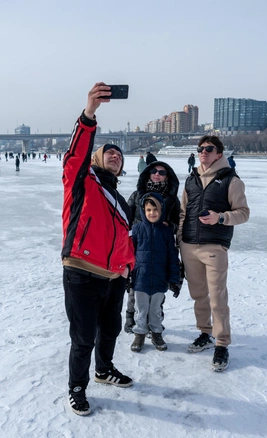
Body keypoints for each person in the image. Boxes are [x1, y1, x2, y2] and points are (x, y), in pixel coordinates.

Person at [62, 82, 135, 416]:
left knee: (111, 330)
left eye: (119, 155)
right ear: (95, 158)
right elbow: (74, 154)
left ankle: (104, 370)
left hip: (113, 278)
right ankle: (77, 388)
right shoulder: (82, 180)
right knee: (83, 339)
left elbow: (123, 238)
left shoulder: (120, 200)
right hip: (81, 272)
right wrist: (89, 114)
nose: (115, 156)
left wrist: (127, 266)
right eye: (109, 152)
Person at [178, 135, 250, 372]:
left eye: (209, 149)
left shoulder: (231, 180)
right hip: (189, 245)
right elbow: (182, 213)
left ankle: (222, 343)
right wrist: (179, 240)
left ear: (219, 153)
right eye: (200, 149)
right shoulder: (191, 179)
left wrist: (220, 217)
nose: (204, 152)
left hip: (214, 246)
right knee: (198, 295)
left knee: (217, 297)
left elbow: (243, 213)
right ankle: (204, 333)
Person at [124, 160, 181, 334]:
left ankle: (155, 319)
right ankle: (131, 318)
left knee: (157, 286)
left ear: (167, 176)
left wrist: (168, 226)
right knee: (136, 287)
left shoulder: (171, 200)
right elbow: (126, 219)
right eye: (154, 171)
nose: (157, 174)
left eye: (162, 172)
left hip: (160, 248)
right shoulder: (136, 195)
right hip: (139, 247)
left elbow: (179, 222)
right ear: (148, 173)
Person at [129, 193, 182, 352]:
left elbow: (173, 256)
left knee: (155, 309)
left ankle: (156, 332)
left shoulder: (166, 232)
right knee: (141, 308)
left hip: (160, 278)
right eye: (148, 210)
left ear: (162, 210)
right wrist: (126, 276)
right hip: (141, 278)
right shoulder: (136, 229)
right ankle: (139, 333)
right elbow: (128, 254)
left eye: (155, 210)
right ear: (143, 211)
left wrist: (174, 279)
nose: (152, 213)